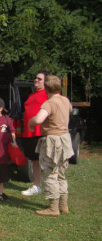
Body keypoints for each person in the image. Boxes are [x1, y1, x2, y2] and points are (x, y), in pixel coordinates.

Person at [28, 75, 73, 216]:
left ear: (46, 88)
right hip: (65, 139)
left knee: (50, 173)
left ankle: (53, 208)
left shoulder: (49, 103)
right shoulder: (65, 100)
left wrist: (31, 121)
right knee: (61, 173)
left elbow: (39, 119)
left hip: (53, 141)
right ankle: (63, 205)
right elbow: (70, 110)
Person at [21, 70, 49, 196]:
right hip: (29, 132)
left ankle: (50, 187)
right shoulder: (32, 94)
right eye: (35, 78)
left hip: (41, 132)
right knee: (34, 160)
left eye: (39, 79)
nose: (36, 80)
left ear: (46, 81)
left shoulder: (49, 94)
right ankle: (37, 186)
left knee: (46, 161)